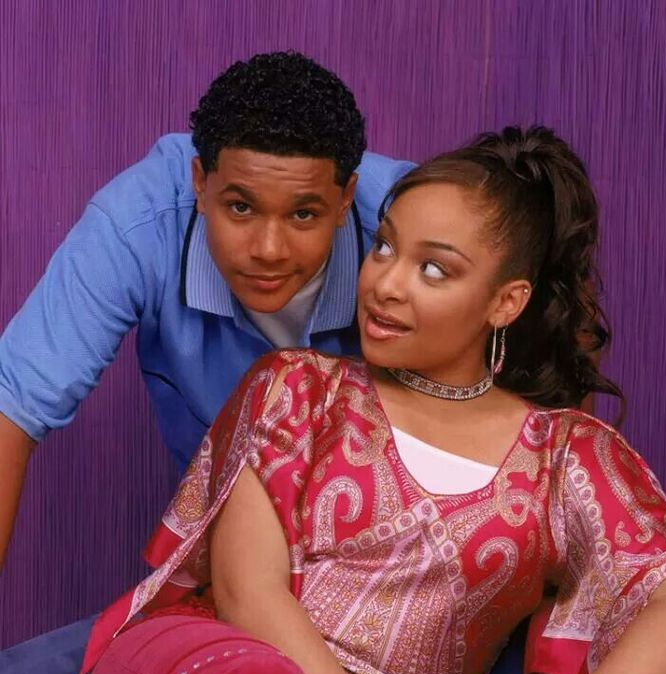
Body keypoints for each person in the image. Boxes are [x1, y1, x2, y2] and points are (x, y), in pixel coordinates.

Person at [78, 126, 666, 674]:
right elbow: (249, 599)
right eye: (384, 248)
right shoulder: (299, 389)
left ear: (506, 300)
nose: (385, 284)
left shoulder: (565, 458)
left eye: (432, 268)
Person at [0, 51, 413, 570]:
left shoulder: (411, 226)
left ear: (346, 198)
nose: (268, 249)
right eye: (240, 207)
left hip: (393, 569)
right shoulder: (138, 222)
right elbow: (11, 405)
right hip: (220, 566)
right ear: (200, 182)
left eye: (304, 214)